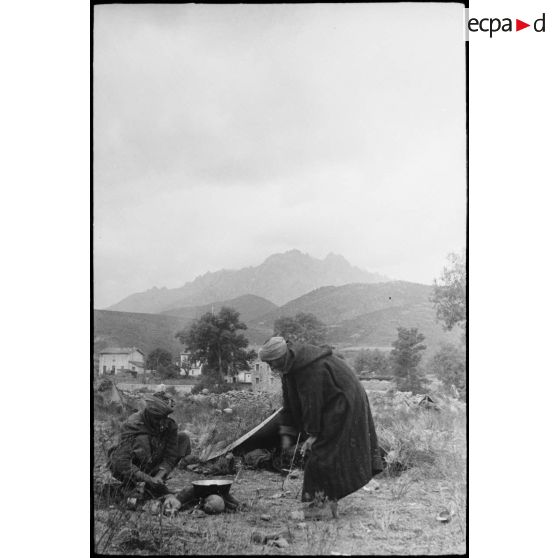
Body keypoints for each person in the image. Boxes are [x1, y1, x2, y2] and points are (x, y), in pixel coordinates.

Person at [258, 336, 384, 519]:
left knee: (322, 453)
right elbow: (290, 402)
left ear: (281, 357)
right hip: (336, 400)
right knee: (327, 452)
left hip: (344, 400)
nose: (271, 368)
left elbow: (312, 403)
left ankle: (322, 507)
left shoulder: (308, 368)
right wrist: (287, 431)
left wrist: (313, 435)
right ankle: (327, 502)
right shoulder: (291, 365)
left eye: (271, 363)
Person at [107, 391, 190, 498]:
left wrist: (158, 477)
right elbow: (122, 461)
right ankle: (130, 485)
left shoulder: (169, 425)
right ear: (149, 413)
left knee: (183, 438)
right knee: (142, 440)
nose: (161, 422)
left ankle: (154, 486)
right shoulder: (133, 424)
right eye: (157, 418)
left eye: (164, 417)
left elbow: (170, 456)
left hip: (152, 467)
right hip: (128, 468)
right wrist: (148, 479)